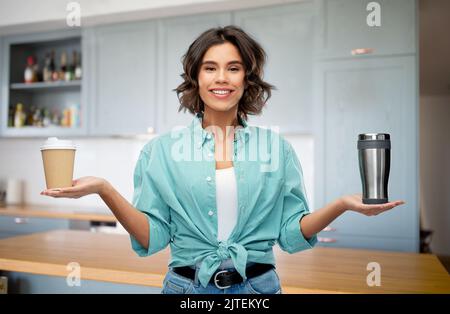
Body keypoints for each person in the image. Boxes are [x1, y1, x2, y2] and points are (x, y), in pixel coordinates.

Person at [41, 25, 405, 294]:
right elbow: (152, 239)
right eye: (210, 67)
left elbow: (290, 237)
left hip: (257, 291)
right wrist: (104, 189)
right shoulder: (161, 152)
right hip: (186, 291)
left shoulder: (277, 150)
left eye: (233, 68)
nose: (222, 78)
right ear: (196, 78)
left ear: (247, 79)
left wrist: (341, 204)